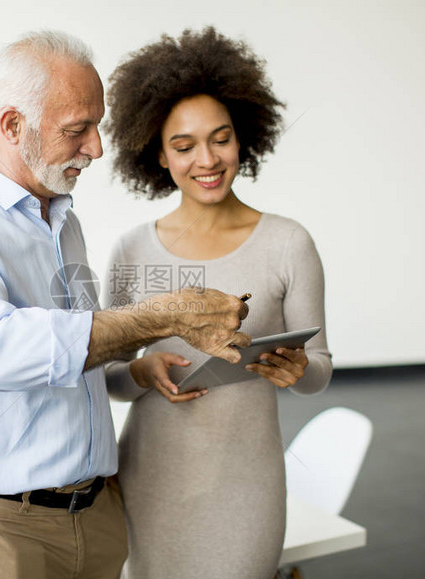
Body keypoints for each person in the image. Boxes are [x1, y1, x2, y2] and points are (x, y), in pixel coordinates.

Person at [0, 30, 251, 579]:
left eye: (97, 125)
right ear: (12, 125)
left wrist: (133, 365)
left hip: (93, 516)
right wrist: (162, 315)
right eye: (77, 130)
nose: (97, 148)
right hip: (0, 529)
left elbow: (70, 355)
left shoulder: (64, 222)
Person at [103, 27, 333, 578]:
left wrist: (297, 369)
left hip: (246, 483)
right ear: (158, 154)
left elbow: (320, 368)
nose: (206, 159)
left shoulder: (287, 242)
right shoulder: (132, 249)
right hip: (150, 478)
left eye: (220, 138)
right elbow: (108, 377)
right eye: (183, 146)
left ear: (243, 139)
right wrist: (140, 369)